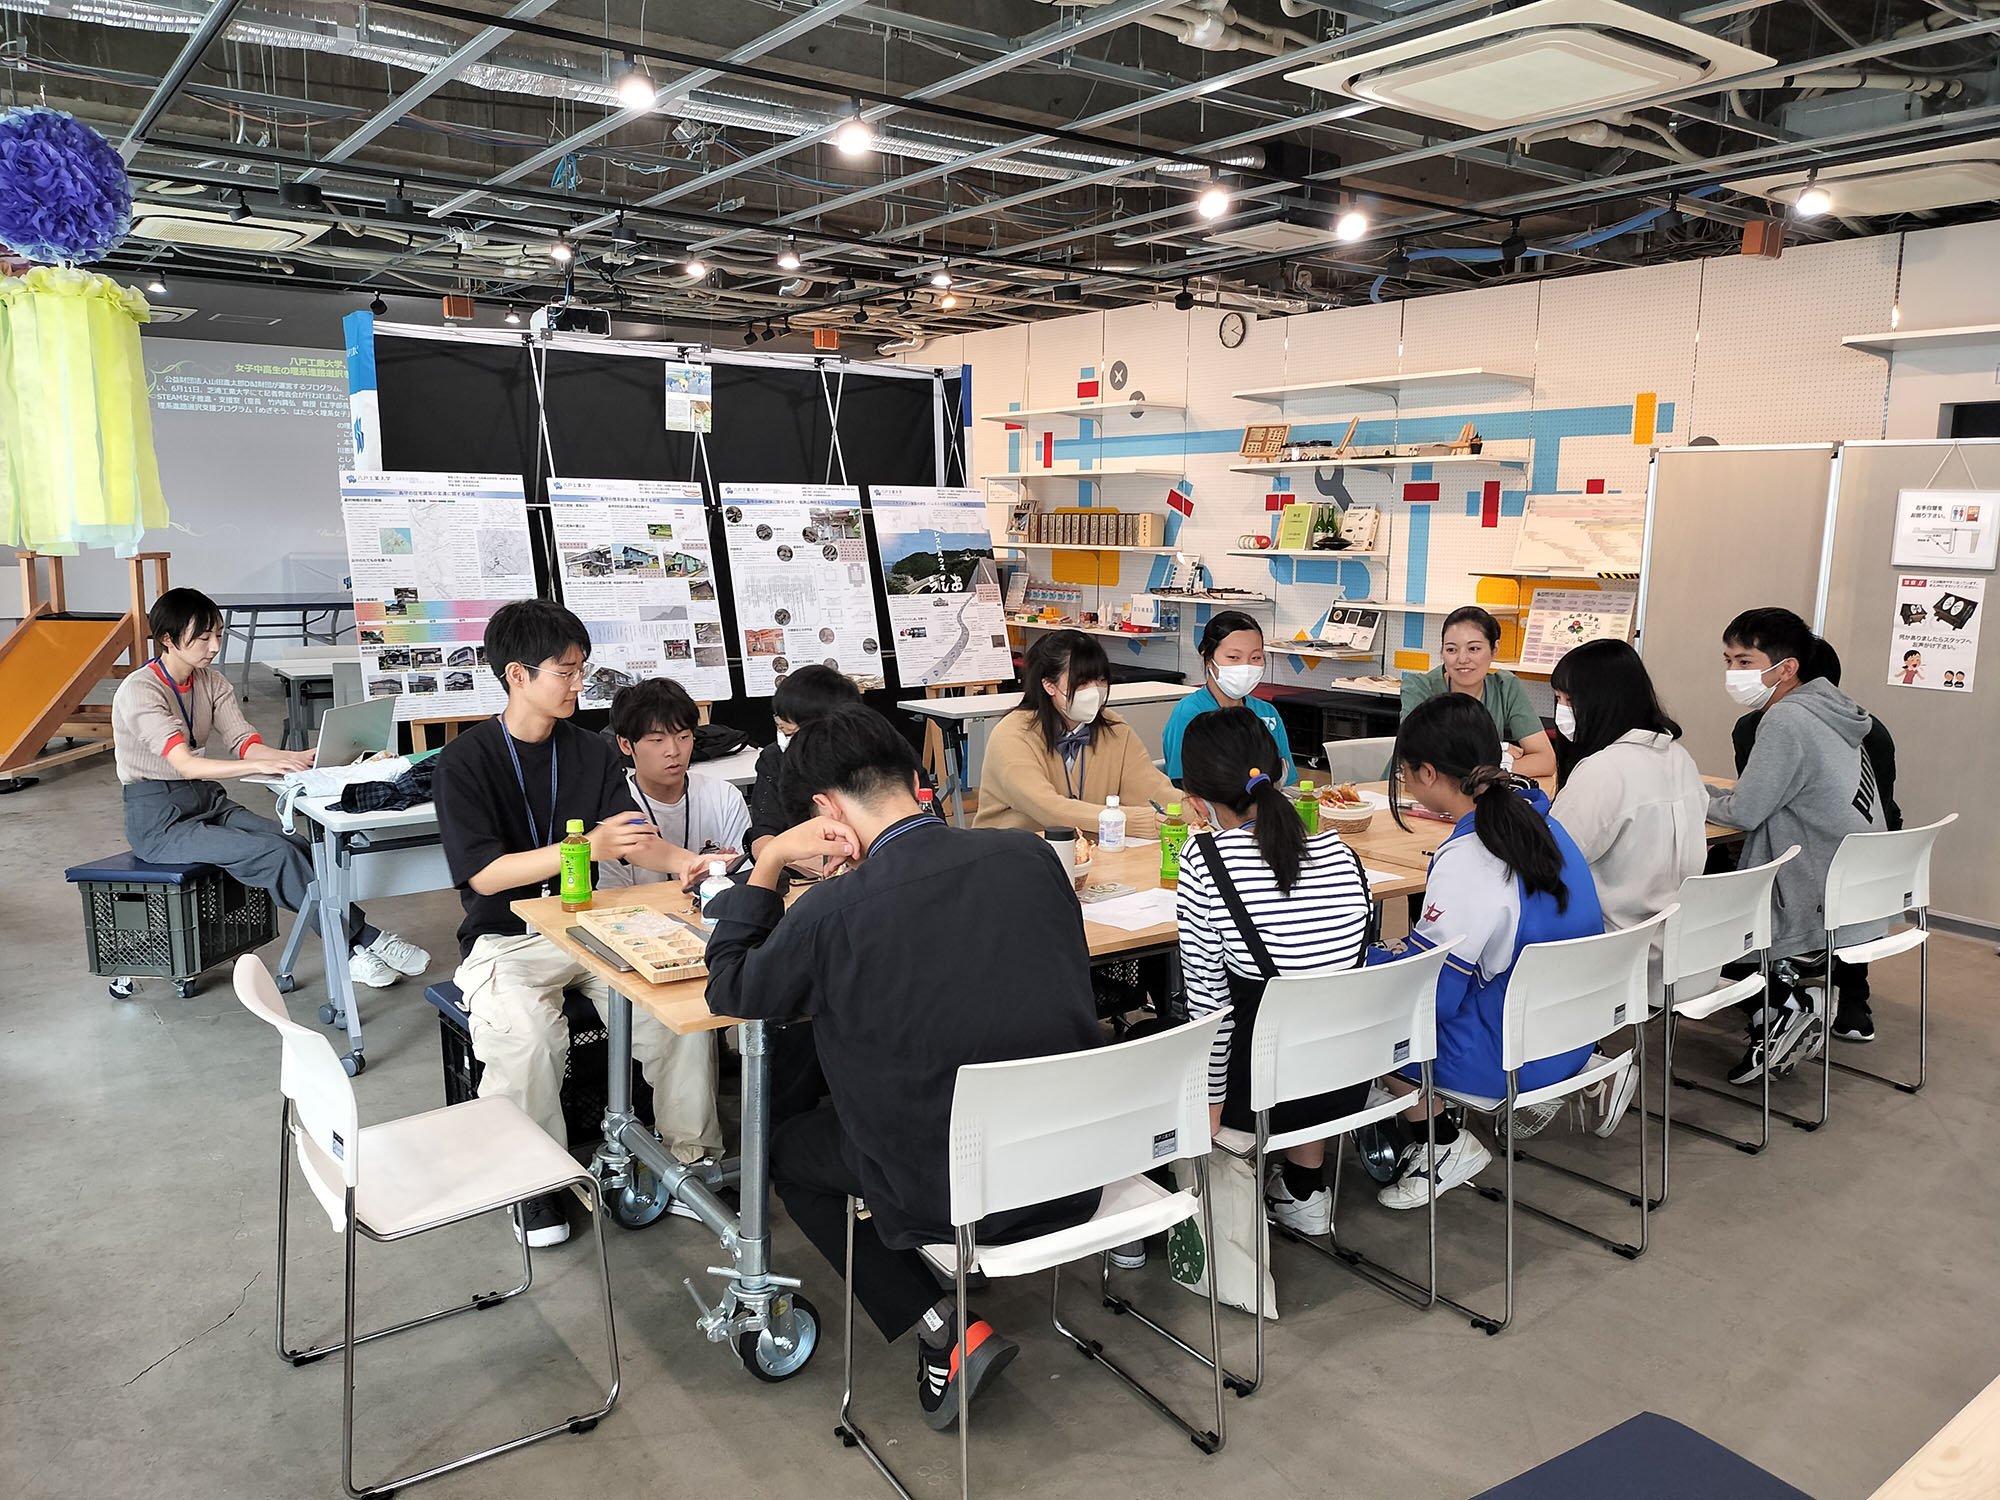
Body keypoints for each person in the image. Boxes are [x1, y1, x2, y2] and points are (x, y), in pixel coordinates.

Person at [703, 705, 1101, 1430]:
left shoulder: (832, 911)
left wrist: (769, 862)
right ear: (912, 778)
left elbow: (733, 990)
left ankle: (941, 1327)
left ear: (825, 811)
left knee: (788, 1152)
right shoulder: (1030, 857)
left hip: (957, 1193)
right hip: (1074, 1164)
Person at [433, 600, 723, 1247]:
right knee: (526, 1036)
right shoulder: (465, 761)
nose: (578, 684)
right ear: (517, 675)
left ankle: (691, 1163)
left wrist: (686, 862)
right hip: (506, 940)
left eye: (581, 669)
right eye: (565, 672)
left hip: (592, 923)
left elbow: (633, 838)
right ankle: (532, 1183)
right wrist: (586, 846)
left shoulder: (588, 751)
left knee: (678, 1013)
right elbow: (484, 876)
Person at [1366, 694, 1621, 1209]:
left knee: (1366, 1021)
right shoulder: (1544, 823)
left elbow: (1431, 999)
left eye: (1405, 772)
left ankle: (1442, 1144)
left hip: (1515, 1052)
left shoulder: (1471, 856)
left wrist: (1369, 964)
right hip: (1573, 1032)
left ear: (1428, 774)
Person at [112, 587, 428, 991]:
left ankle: (358, 942)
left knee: (294, 842)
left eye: (218, 635)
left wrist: (291, 758)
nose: (214, 647)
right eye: (202, 638)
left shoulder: (211, 681)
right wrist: (259, 765)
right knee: (274, 853)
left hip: (206, 800)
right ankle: (359, 944)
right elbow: (186, 763)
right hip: (159, 820)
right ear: (168, 640)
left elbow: (243, 741)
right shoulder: (141, 690)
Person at [1175, 708, 1371, 1236]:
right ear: (1281, 770)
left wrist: (1210, 1108)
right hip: (1345, 1080)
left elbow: (1209, 1009)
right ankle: (1304, 1188)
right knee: (1305, 1008)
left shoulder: (1205, 859)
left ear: (1196, 799)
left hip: (1260, 1094)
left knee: (1152, 1037)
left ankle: (1155, 1220)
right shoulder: (1342, 852)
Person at [1708, 608, 1884, 1082]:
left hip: (1810, 892)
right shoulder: (1832, 711)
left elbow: (1744, 813)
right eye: (1728, 660)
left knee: (1686, 923)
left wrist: (1686, 794)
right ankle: (1782, 1006)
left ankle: (1783, 1004)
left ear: (1786, 668)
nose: (1733, 673)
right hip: (1854, 886)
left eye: (1745, 662)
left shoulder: (1786, 719)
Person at [1548, 639, 1709, 937]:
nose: (1562, 711)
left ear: (1603, 700)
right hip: (1676, 938)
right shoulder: (1679, 756)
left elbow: (1550, 860)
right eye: (1558, 699)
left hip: (1614, 944)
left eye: (1569, 700)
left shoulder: (1603, 770)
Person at [973, 628, 1177, 838]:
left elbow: (1152, 789)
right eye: (1082, 683)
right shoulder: (1013, 735)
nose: (1095, 690)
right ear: (1049, 685)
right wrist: (1137, 821)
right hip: (1012, 850)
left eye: (1101, 680)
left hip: (1087, 851)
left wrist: (1193, 807)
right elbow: (1049, 809)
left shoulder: (1115, 729)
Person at [600, 676, 751, 887]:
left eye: (683, 737)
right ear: (625, 744)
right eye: (657, 740)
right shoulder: (614, 808)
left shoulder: (724, 797)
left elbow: (744, 879)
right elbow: (612, 895)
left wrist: (723, 878)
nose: (673, 751)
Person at [1400, 605, 1556, 780]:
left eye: (1473, 649)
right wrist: (1500, 751)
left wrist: (1497, 765)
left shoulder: (1506, 687)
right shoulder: (1420, 688)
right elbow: (1416, 758)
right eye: (1451, 649)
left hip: (1474, 790)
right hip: (1411, 790)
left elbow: (1546, 760)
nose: (1462, 659)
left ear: (1494, 648)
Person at [1160, 610, 1295, 784]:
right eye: (1233, 657)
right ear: (1208, 658)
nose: (1246, 667)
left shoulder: (1267, 713)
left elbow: (1284, 777)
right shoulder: (1189, 713)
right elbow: (1183, 785)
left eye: (1255, 657)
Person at [746, 664, 861, 856]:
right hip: (801, 867)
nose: (784, 739)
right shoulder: (775, 759)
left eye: (790, 733)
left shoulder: (871, 759)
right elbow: (763, 837)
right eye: (779, 727)